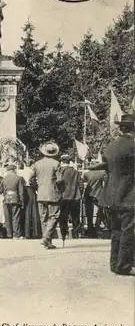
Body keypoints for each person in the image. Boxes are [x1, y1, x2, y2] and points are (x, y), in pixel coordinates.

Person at [89, 114, 135, 275]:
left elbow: (107, 165)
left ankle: (115, 264)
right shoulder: (132, 146)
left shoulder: (111, 146)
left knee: (116, 230)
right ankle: (124, 266)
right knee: (128, 230)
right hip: (129, 195)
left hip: (111, 196)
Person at [30, 142, 62, 249]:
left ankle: (47, 241)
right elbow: (60, 180)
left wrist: (37, 188)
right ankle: (46, 237)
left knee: (43, 217)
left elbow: (31, 179)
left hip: (41, 194)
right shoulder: (56, 163)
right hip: (53, 193)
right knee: (54, 216)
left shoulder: (37, 164)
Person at [58, 154, 82, 240]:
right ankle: (76, 234)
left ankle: (64, 234)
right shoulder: (76, 172)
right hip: (75, 196)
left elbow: (58, 184)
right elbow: (80, 184)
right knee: (75, 216)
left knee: (63, 217)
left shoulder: (60, 171)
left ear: (61, 161)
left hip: (63, 196)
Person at [83, 161, 107, 238]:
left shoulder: (87, 174)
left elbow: (84, 181)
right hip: (98, 194)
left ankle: (90, 230)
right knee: (101, 211)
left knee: (89, 213)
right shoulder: (102, 173)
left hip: (88, 194)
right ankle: (98, 226)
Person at [1, 163, 25, 239]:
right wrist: (22, 201)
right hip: (15, 198)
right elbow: (21, 191)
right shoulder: (19, 178)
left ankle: (9, 234)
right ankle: (16, 234)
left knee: (7, 217)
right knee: (16, 217)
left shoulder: (3, 179)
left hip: (6, 199)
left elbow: (1, 190)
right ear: (14, 170)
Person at [19, 164, 42, 240]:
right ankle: (35, 232)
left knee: (26, 212)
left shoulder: (20, 172)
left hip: (24, 191)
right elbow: (33, 182)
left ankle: (26, 232)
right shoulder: (32, 171)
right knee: (34, 212)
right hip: (31, 191)